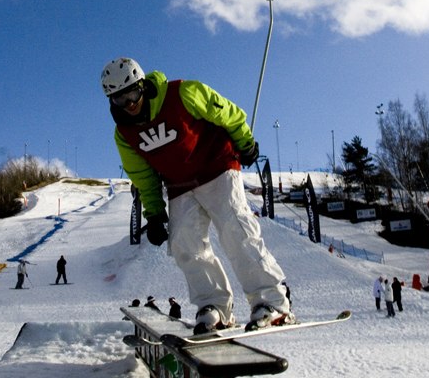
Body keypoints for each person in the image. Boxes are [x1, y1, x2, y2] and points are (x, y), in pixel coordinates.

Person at [100, 57, 295, 334]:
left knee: (235, 228)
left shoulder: (182, 93)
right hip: (179, 183)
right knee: (185, 243)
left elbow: (227, 112)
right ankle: (214, 306)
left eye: (132, 94)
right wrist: (154, 214)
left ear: (143, 86)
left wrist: (245, 141)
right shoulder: (124, 133)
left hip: (217, 166)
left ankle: (272, 300)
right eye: (120, 99)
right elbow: (143, 176)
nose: (129, 104)